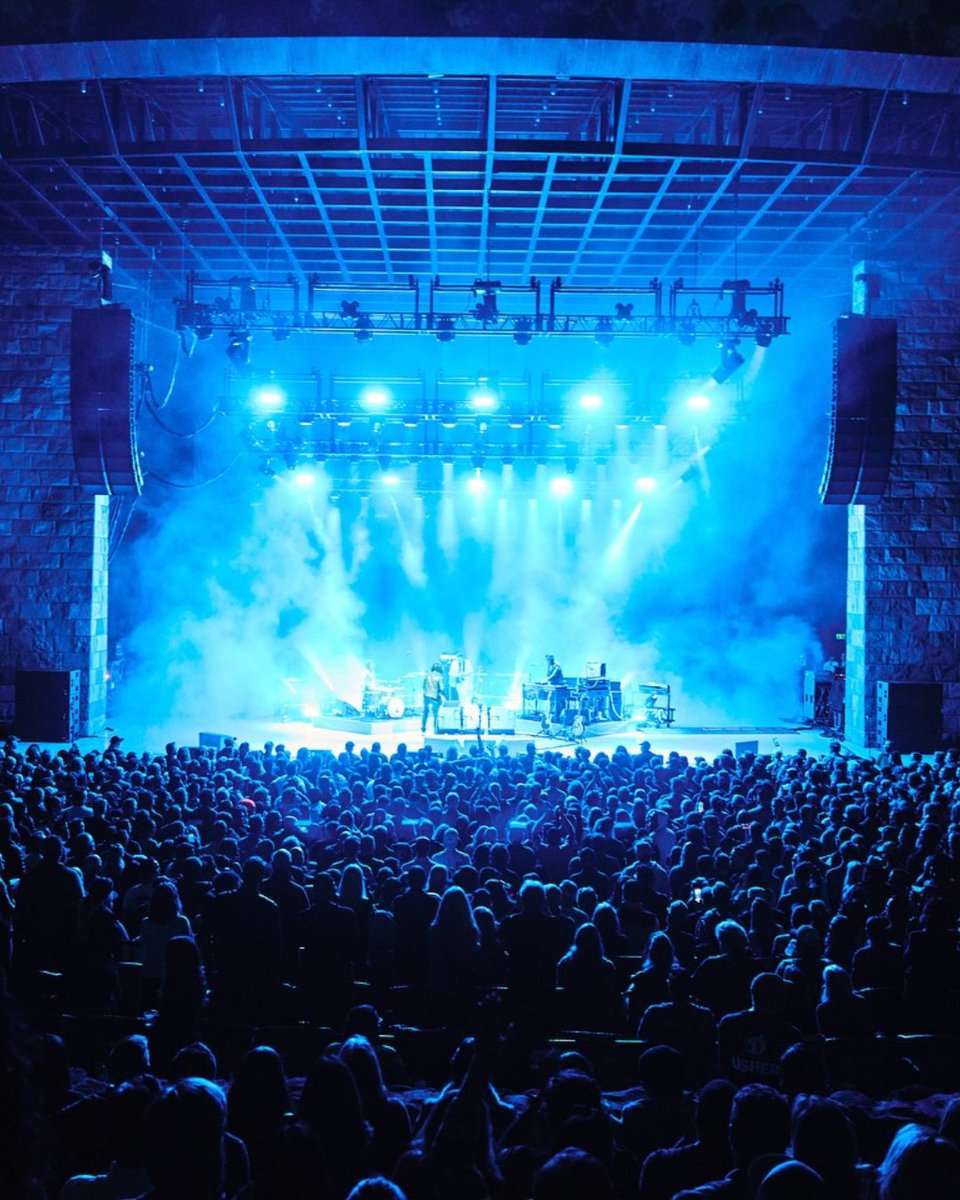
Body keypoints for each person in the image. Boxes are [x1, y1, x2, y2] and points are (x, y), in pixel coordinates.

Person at [544, 655, 568, 722]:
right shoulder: (550, 666)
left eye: (548, 660)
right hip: (553, 686)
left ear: (551, 660)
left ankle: (558, 716)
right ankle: (551, 715)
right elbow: (548, 674)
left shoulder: (557, 666)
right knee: (551, 699)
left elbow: (553, 675)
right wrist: (548, 667)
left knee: (558, 701)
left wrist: (546, 680)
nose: (547, 662)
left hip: (559, 686)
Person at [421, 663, 443, 734]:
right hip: (434, 698)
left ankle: (423, 728)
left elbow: (423, 686)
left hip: (426, 697)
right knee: (436, 714)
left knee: (425, 713)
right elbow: (441, 688)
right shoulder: (439, 676)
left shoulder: (427, 675)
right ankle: (435, 729)